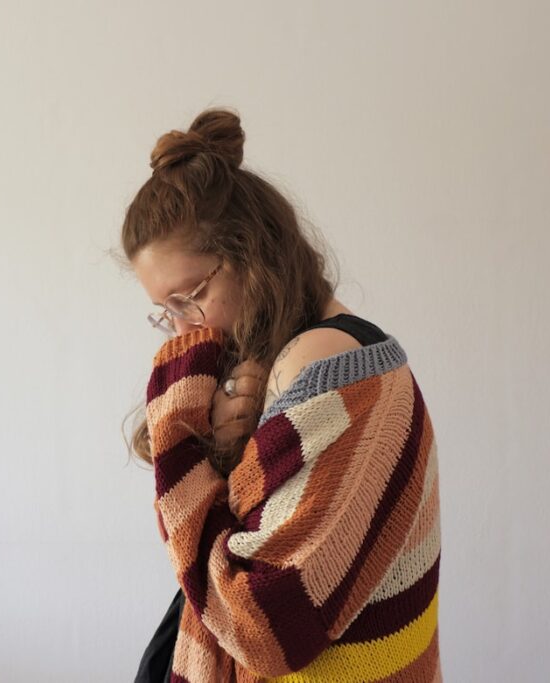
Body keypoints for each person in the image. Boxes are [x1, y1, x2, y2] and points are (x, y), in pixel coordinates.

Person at [117, 107, 443, 682]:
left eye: (191, 296)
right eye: (165, 312)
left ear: (252, 252)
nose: (183, 331)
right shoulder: (318, 354)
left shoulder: (325, 367)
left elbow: (260, 626)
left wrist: (178, 438)